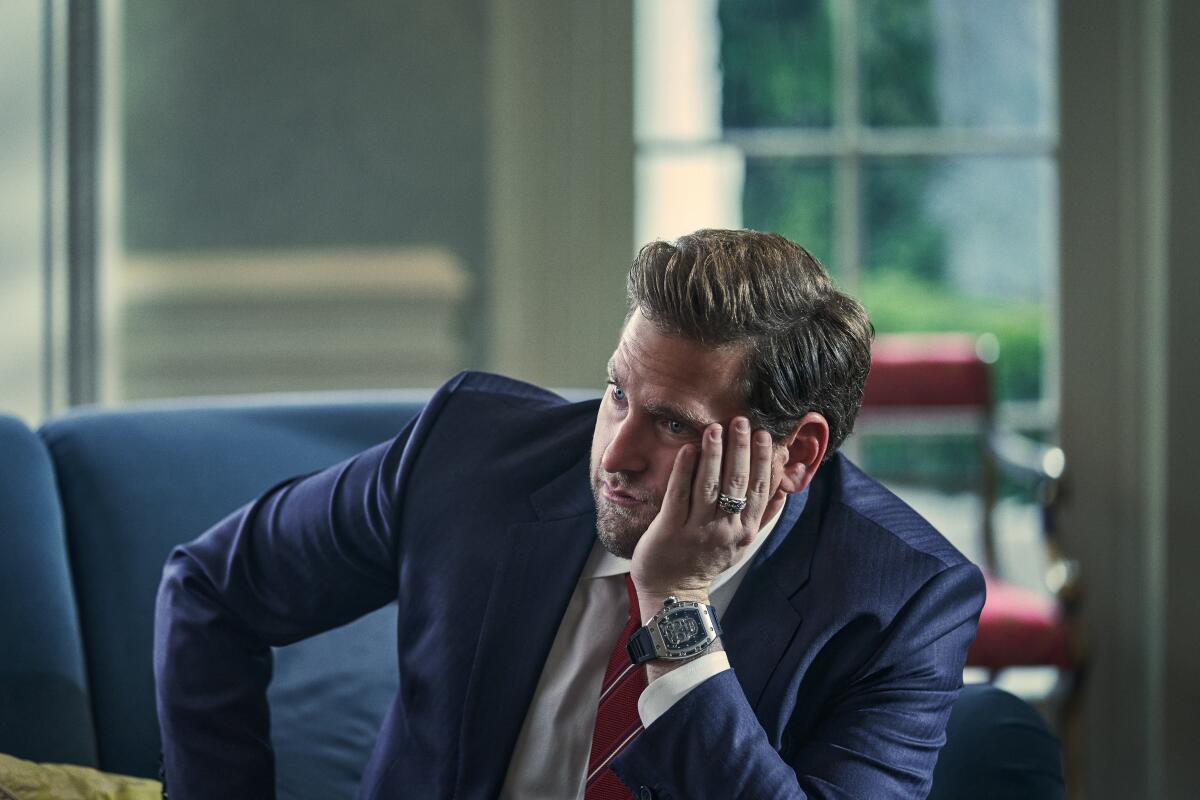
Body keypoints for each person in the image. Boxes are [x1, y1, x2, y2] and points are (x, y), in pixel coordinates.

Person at [154, 229, 985, 798]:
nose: (615, 453)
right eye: (617, 392)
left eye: (671, 424)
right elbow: (209, 588)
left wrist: (677, 611)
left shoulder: (901, 597)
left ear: (796, 456)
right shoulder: (470, 453)